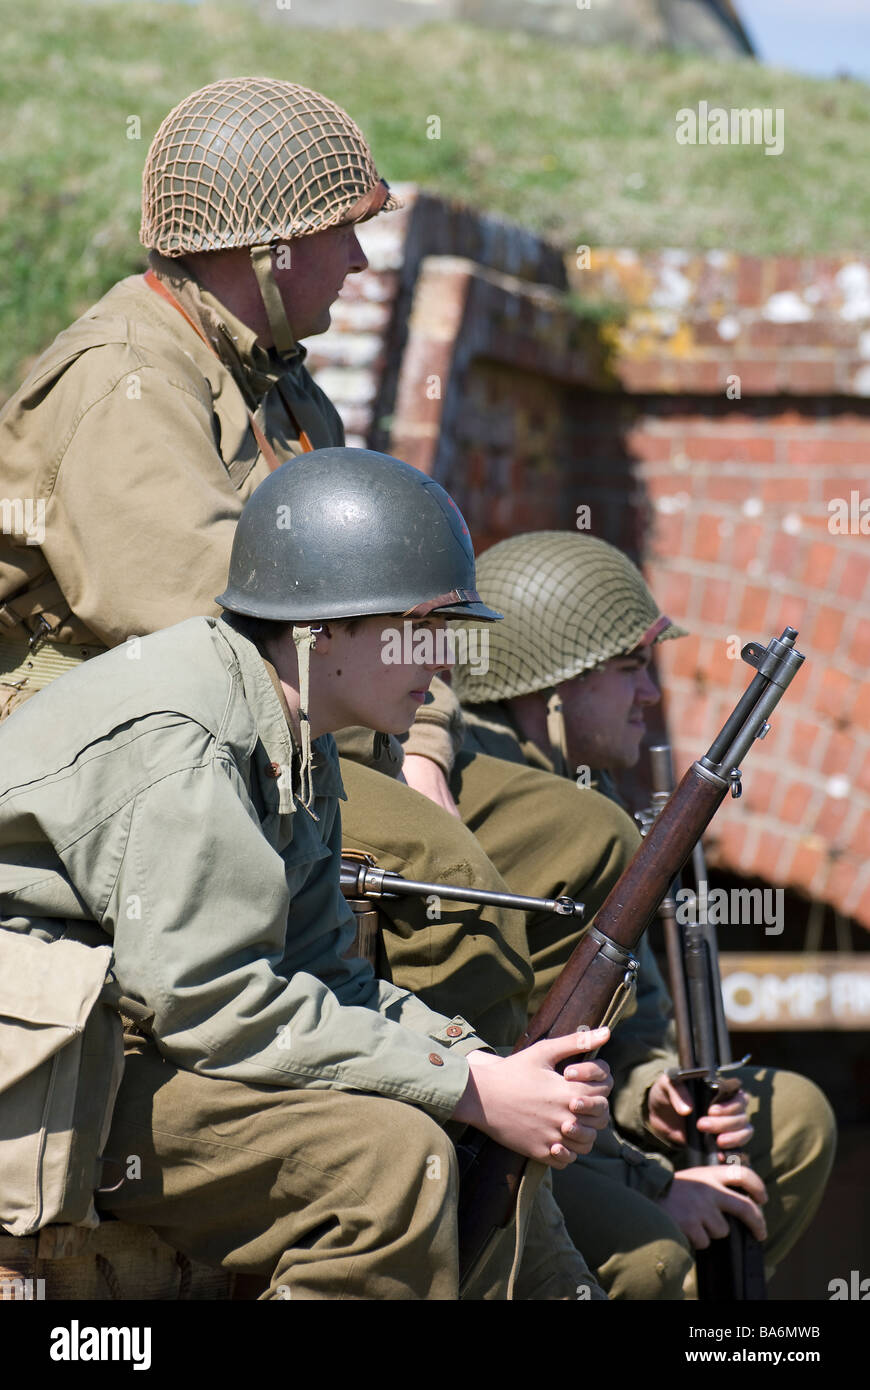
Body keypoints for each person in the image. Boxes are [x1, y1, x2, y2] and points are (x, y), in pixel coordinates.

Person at [0, 75, 634, 1065]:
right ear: (269, 248)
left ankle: (594, 1110)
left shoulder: (282, 385)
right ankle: (480, 1153)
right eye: (342, 232)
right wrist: (397, 753)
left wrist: (423, 739)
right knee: (434, 864)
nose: (361, 258)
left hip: (302, 709)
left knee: (579, 832)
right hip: (155, 742)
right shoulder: (127, 374)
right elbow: (210, 622)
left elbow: (380, 593)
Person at [0, 451, 614, 1300]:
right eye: (418, 630)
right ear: (321, 630)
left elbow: (327, 975)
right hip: (47, 1067)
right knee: (393, 1164)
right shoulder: (190, 733)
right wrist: (468, 1086)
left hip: (108, 1039)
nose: (440, 666)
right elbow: (213, 1004)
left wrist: (485, 1066)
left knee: (456, 1139)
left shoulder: (292, 730)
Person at [451, 530, 837, 1299]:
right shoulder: (499, 811)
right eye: (629, 670)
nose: (652, 695)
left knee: (790, 1117)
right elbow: (503, 1051)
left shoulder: (590, 797)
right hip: (493, 1119)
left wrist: (656, 1091)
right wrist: (655, 1183)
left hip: (590, 1116)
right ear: (552, 690)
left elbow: (632, 1018)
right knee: (650, 1253)